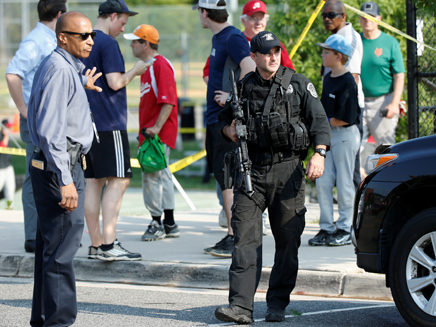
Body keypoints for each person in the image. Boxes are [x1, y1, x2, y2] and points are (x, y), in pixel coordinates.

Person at [215, 31, 331, 323]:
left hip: (288, 170)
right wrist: (230, 131)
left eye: (276, 50)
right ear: (253, 57)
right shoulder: (243, 87)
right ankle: (241, 307)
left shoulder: (299, 84)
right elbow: (223, 121)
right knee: (244, 240)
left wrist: (319, 154)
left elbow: (320, 124)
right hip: (251, 171)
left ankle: (277, 303)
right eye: (266, 52)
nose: (273, 56)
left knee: (288, 241)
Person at [27, 11, 101, 326]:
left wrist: (80, 83)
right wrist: (66, 180)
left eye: (91, 35)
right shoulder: (59, 69)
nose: (90, 40)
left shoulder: (65, 68)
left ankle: (44, 319)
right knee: (60, 253)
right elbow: (51, 131)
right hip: (60, 168)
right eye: (82, 35)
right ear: (63, 37)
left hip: (57, 166)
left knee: (50, 249)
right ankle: (58, 322)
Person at [203, 0, 295, 235]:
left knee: (243, 174)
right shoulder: (231, 39)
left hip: (258, 119)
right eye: (252, 17)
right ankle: (238, 226)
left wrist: (235, 98)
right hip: (226, 117)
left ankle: (241, 231)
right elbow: (210, 73)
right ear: (243, 19)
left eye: (260, 16)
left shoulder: (235, 39)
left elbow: (286, 78)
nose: (257, 21)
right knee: (229, 176)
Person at [82, 0, 148, 261]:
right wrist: (135, 70)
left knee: (93, 183)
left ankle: (96, 244)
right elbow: (115, 81)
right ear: (111, 16)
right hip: (109, 122)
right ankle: (109, 244)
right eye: (122, 21)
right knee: (119, 179)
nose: (123, 28)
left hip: (88, 123)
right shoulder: (108, 44)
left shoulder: (85, 40)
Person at [193, 0, 256, 258]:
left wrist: (232, 98)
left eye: (199, 11)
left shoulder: (232, 37)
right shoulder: (220, 37)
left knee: (230, 180)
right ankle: (233, 233)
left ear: (204, 13)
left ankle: (235, 236)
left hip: (224, 121)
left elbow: (250, 68)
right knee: (225, 180)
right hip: (215, 120)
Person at [5, 0, 67, 253]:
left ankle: (52, 231)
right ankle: (34, 235)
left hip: (52, 118)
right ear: (60, 14)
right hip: (37, 119)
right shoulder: (36, 41)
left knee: (54, 172)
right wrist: (23, 109)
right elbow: (12, 73)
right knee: (36, 175)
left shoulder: (50, 39)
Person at [124, 24, 180, 241]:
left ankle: (157, 222)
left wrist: (156, 128)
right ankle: (169, 222)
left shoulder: (160, 66)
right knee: (161, 174)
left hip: (156, 134)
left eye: (135, 41)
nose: (131, 45)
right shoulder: (147, 67)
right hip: (151, 132)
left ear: (145, 43)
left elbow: (168, 102)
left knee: (152, 176)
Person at [309, 34, 361, 247]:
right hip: (329, 134)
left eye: (326, 52)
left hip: (344, 136)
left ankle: (346, 227)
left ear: (338, 56)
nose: (323, 54)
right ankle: (326, 227)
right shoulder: (328, 77)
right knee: (323, 181)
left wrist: (324, 121)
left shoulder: (348, 81)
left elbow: (346, 118)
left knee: (344, 183)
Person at [359, 1, 405, 176]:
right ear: (359, 19)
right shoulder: (356, 41)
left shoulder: (389, 42)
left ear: (379, 18)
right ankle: (360, 187)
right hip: (360, 101)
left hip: (383, 101)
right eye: (363, 16)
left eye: (371, 16)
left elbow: (399, 75)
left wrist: (394, 103)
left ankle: (393, 182)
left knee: (386, 148)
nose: (367, 20)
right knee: (354, 147)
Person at [320, 0, 363, 190]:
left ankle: (352, 218)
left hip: (345, 114)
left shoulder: (349, 38)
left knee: (349, 176)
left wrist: (341, 114)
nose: (327, 19)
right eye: (324, 15)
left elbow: (351, 77)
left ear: (343, 16)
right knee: (333, 177)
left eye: (331, 15)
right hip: (332, 116)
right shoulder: (335, 36)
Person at [0, 119, 16, 209]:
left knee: (10, 189)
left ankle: (9, 207)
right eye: (7, 127)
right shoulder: (2, 136)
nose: (9, 129)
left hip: (8, 167)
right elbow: (2, 148)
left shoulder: (9, 137)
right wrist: (5, 137)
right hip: (0, 168)